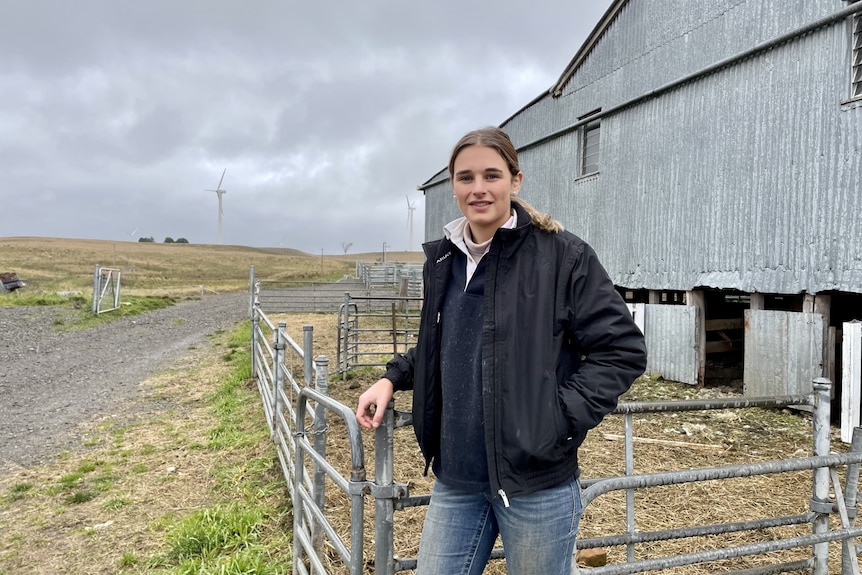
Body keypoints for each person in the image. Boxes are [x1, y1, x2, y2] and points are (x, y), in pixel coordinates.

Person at [356, 127, 647, 575]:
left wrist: (555, 419)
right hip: (457, 478)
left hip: (536, 481)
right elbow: (443, 342)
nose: (478, 189)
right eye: (465, 177)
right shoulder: (444, 260)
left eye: (491, 175)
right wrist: (391, 377)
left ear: (515, 181)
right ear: (453, 185)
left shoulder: (563, 257)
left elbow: (621, 349)